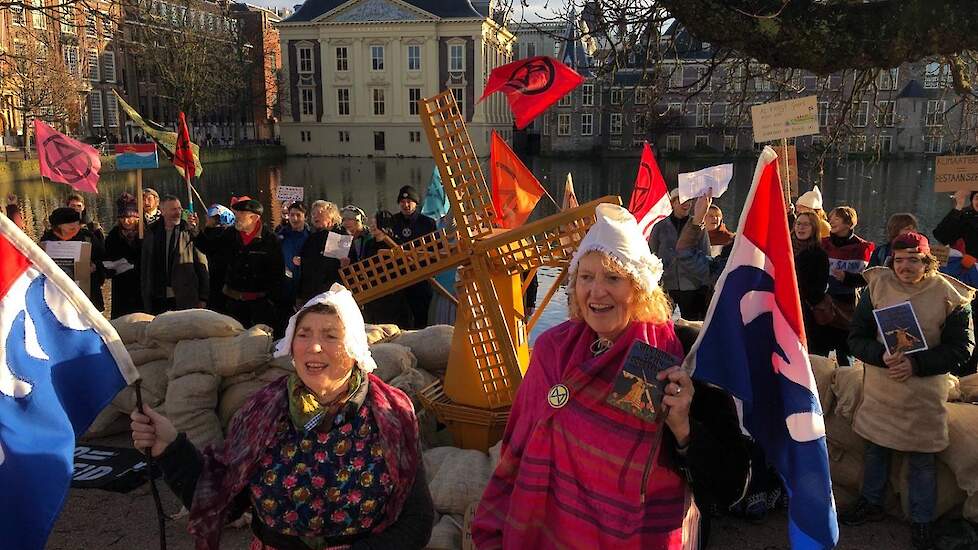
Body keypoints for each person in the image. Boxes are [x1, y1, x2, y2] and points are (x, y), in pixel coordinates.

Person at [472, 204, 750, 549]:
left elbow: (730, 487)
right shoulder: (552, 351)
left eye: (613, 278)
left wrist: (683, 428)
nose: (597, 291)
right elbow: (518, 444)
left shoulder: (683, 359)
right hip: (551, 534)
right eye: (586, 277)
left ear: (640, 288)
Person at [130, 285, 434, 549]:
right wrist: (170, 447)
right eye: (304, 334)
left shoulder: (390, 413)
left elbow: (416, 521)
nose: (314, 346)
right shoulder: (262, 411)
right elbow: (225, 501)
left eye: (330, 335)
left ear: (354, 349)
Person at [842, 232, 974, 550]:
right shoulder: (877, 286)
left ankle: (922, 521)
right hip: (881, 390)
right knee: (875, 449)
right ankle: (871, 503)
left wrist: (917, 365)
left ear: (926, 261)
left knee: (921, 461)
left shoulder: (950, 295)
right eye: (899, 260)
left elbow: (962, 349)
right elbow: (856, 337)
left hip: (923, 396)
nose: (905, 266)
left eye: (913, 260)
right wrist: (879, 356)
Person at [193, 198, 285, 334]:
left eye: (240, 215)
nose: (235, 218)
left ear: (254, 217)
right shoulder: (230, 234)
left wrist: (274, 303)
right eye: (235, 214)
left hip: (260, 304)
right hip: (232, 303)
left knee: (259, 342)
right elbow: (211, 248)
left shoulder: (270, 240)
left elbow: (277, 275)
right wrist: (196, 232)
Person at [819, 205, 873, 366]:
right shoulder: (823, 244)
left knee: (845, 351)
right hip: (823, 301)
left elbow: (867, 278)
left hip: (847, 303)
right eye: (831, 217)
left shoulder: (862, 247)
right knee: (820, 350)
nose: (831, 221)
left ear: (849, 223)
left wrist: (847, 278)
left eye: (837, 218)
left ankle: (846, 382)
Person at [649, 188, 712, 321]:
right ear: (673, 203)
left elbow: (706, 255)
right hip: (666, 285)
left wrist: (704, 286)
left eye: (689, 201)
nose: (687, 204)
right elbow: (652, 255)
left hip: (692, 286)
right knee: (662, 322)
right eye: (682, 200)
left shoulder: (698, 226)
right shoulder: (659, 227)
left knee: (692, 324)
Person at [141, 195, 209, 314]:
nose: (178, 212)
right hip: (158, 297)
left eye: (179, 208)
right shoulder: (152, 232)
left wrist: (203, 297)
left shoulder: (189, 231)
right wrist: (146, 296)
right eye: (173, 209)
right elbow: (146, 266)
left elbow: (202, 264)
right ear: (162, 211)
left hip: (186, 297)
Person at [40, 207, 106, 310]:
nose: (75, 231)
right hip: (58, 297)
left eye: (77, 227)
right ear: (57, 228)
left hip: (89, 296)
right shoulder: (47, 240)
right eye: (71, 229)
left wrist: (95, 266)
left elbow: (104, 259)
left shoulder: (87, 237)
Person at [390, 186, 437, 329]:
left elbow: (435, 249)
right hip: (399, 277)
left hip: (420, 277)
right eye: (403, 201)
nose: (406, 205)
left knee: (421, 317)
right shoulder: (393, 221)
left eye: (409, 201)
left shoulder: (427, 223)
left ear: (416, 203)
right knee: (399, 318)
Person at [793, 211, 831, 355]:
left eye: (806, 225)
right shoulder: (785, 248)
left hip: (806, 312)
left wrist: (797, 289)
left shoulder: (819, 254)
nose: (801, 228)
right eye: (798, 224)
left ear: (814, 228)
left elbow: (819, 289)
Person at [103, 194, 143, 318]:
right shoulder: (114, 235)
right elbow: (106, 257)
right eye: (122, 217)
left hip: (141, 285)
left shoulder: (145, 233)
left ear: (136, 217)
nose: (126, 221)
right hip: (121, 286)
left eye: (129, 217)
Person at [201, 204, 236, 313]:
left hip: (217, 284)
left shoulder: (215, 236)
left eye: (210, 216)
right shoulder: (229, 235)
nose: (206, 218)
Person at [277, 201, 311, 310]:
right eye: (292, 215)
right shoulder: (281, 235)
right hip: (285, 285)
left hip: (305, 285)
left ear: (305, 217)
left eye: (298, 215)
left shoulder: (311, 236)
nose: (294, 219)